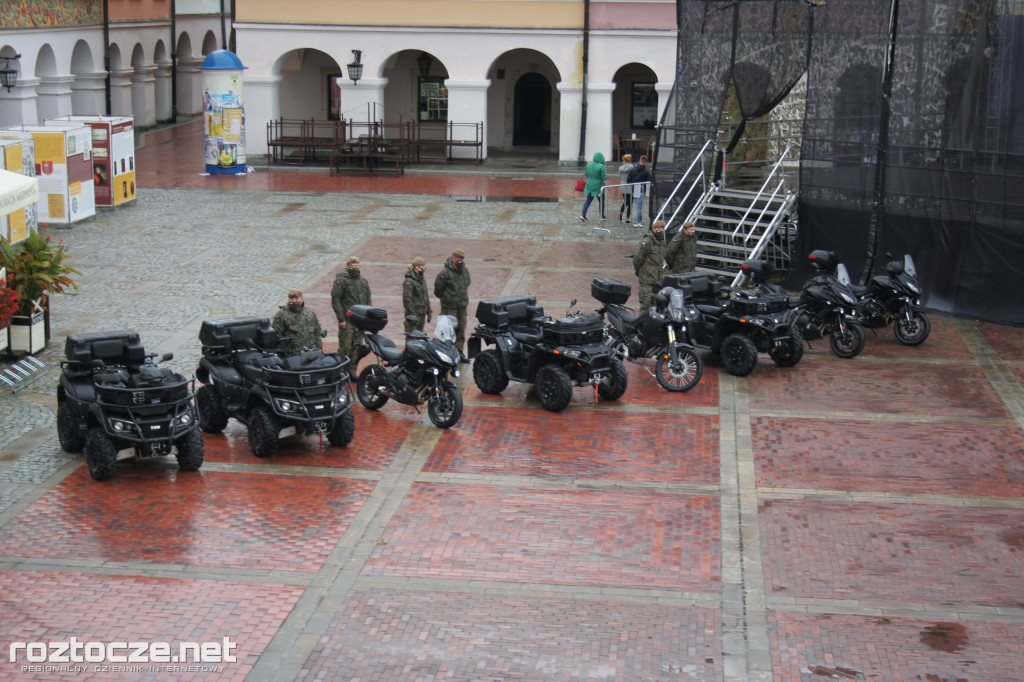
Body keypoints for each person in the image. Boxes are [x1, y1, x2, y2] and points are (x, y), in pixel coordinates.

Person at [331, 256, 372, 364]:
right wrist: (341, 319)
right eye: (351, 266)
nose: (354, 268)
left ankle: (352, 371)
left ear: (359, 266)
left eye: (356, 266)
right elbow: (336, 300)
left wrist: (368, 318)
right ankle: (342, 371)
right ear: (347, 266)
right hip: (348, 320)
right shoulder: (341, 280)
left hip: (360, 321)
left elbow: (368, 300)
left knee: (356, 348)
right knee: (345, 347)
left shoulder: (363, 281)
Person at [434, 248, 471, 360]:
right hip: (449, 308)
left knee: (461, 330)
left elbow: (467, 282)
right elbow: (438, 290)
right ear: (453, 258)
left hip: (462, 306)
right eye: (459, 258)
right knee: (448, 331)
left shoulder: (464, 270)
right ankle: (446, 354)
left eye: (462, 258)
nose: (461, 260)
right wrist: (448, 298)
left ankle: (459, 353)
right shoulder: (445, 273)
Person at [272, 290, 323, 357]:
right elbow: (276, 335)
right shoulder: (282, 315)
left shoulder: (309, 313)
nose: (294, 301)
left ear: (302, 300)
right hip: (293, 355)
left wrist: (319, 347)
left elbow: (317, 331)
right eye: (292, 299)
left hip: (310, 352)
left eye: (296, 299)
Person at [632, 220, 668, 310]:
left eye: (662, 228)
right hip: (647, 279)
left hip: (658, 280)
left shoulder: (662, 242)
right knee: (646, 305)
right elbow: (637, 258)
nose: (660, 230)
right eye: (658, 228)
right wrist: (639, 271)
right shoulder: (647, 241)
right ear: (653, 229)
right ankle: (642, 323)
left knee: (656, 305)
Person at [402, 257, 432, 334]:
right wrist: (412, 314)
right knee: (412, 337)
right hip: (414, 315)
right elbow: (407, 299)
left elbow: (426, 297)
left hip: (422, 314)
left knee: (420, 336)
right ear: (417, 267)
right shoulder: (409, 281)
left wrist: (428, 311)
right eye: (422, 266)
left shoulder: (421, 280)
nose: (424, 268)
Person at [579, 151, 607, 222]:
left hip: (589, 185)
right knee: (601, 201)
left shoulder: (589, 165)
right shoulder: (601, 166)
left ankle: (583, 214)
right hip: (598, 186)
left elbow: (586, 174)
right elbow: (603, 177)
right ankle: (601, 215)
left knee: (588, 200)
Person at [626, 155, 652, 227]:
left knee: (637, 206)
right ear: (645, 162)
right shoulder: (646, 171)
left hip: (634, 189)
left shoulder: (633, 170)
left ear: (639, 161)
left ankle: (638, 219)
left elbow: (628, 180)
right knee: (639, 207)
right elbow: (649, 181)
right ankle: (637, 222)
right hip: (641, 190)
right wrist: (647, 192)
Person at [617, 153, 634, 223]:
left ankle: (621, 212)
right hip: (630, 185)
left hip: (623, 185)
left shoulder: (620, 168)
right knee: (630, 202)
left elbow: (620, 175)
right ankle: (627, 217)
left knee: (626, 201)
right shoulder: (632, 167)